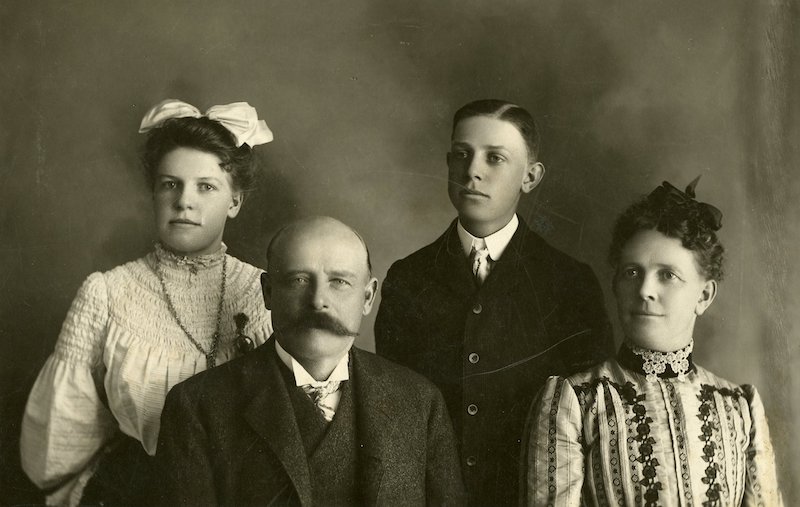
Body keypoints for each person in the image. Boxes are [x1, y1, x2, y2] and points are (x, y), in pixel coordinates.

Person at [20, 99, 275, 506]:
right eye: (170, 184)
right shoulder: (106, 293)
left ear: (235, 201)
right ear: (154, 192)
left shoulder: (263, 292)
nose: (184, 201)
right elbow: (61, 435)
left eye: (205, 186)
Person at [374, 99, 613, 506]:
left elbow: (593, 417)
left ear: (531, 177)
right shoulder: (408, 277)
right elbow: (395, 413)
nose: (473, 171)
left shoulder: (570, 282)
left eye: (495, 158)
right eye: (461, 155)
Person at [157, 216, 466, 506]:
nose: (318, 300)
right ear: (267, 292)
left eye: (339, 282)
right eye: (299, 280)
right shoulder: (198, 406)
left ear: (368, 297)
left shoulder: (419, 402)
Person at [521, 178, 783, 506]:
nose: (645, 290)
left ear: (704, 295)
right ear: (615, 283)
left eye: (667, 275)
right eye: (632, 272)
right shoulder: (577, 402)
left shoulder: (739, 406)